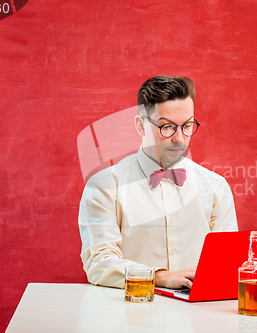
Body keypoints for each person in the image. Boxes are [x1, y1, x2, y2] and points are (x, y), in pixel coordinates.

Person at [78, 75, 238, 289]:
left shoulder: (216, 186)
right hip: (130, 310)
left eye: (187, 126)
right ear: (141, 126)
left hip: (199, 313)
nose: (180, 139)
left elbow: (227, 262)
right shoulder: (104, 185)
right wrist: (161, 277)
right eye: (167, 127)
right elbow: (99, 262)